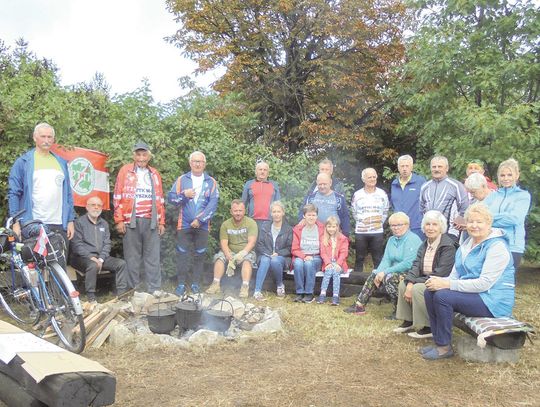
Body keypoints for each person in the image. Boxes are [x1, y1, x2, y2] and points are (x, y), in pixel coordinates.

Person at [421, 203, 515, 360]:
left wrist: (447, 284)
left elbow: (484, 284)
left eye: (479, 222)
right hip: (474, 295)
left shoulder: (497, 247)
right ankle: (438, 341)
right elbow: (455, 274)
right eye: (471, 221)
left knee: (443, 296)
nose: (474, 225)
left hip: (492, 300)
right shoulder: (467, 244)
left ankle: (444, 347)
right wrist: (439, 281)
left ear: (489, 223)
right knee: (430, 291)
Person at [8, 122, 76, 265]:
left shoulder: (61, 163)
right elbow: (14, 193)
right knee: (33, 269)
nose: (46, 140)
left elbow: (68, 194)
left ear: (53, 139)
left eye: (49, 137)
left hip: (59, 224)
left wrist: (70, 220)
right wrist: (15, 222)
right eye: (43, 136)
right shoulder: (23, 162)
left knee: (59, 270)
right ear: (35, 138)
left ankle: (57, 289)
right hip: (33, 224)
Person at [113, 141, 166, 297]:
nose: (141, 157)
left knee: (153, 257)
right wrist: (119, 220)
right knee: (132, 258)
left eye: (144, 154)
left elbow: (161, 199)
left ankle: (154, 289)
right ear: (133, 155)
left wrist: (161, 221)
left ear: (149, 156)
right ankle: (133, 290)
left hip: (151, 220)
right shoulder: (125, 171)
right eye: (138, 154)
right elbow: (117, 196)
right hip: (131, 220)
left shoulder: (154, 173)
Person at [393, 210, 457, 339]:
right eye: (428, 224)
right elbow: (416, 265)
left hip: (441, 280)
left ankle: (428, 327)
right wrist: (410, 281)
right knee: (403, 284)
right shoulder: (424, 244)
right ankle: (408, 320)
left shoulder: (448, 245)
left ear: (441, 227)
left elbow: (441, 272)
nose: (431, 228)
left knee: (418, 288)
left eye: (435, 224)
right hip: (425, 277)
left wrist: (414, 283)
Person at [344, 212, 422, 316]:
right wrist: (378, 272)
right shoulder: (391, 240)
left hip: (411, 274)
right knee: (374, 273)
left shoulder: (413, 239)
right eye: (393, 225)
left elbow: (408, 264)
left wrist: (384, 272)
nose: (396, 228)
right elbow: (386, 260)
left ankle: (399, 311)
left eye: (399, 225)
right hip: (395, 271)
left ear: (407, 225)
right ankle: (359, 305)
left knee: (388, 277)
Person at [168, 151, 219, 296]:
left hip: (202, 225)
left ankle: (196, 284)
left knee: (200, 255)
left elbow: (213, 204)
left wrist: (200, 219)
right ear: (190, 163)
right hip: (183, 224)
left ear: (204, 164)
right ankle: (181, 284)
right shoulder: (182, 180)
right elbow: (171, 199)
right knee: (182, 254)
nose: (197, 164)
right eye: (195, 161)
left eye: (200, 162)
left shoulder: (211, 182)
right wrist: (184, 195)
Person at [70, 197, 128, 303]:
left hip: (101, 258)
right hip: (81, 258)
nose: (96, 207)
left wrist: (101, 259)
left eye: (99, 205)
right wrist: (92, 258)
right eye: (93, 205)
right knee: (92, 265)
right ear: (87, 207)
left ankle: (122, 296)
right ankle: (91, 298)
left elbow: (107, 244)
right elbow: (77, 245)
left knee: (121, 264)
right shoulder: (78, 223)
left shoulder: (104, 224)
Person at [484, 159, 531, 269]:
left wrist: (490, 219)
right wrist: (503, 216)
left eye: (509, 175)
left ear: (517, 175)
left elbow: (514, 219)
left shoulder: (523, 196)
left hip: (512, 246)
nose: (506, 178)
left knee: (506, 283)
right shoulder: (492, 196)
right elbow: (481, 216)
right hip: (490, 244)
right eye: (502, 175)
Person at [206, 200, 258, 298]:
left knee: (247, 261)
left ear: (244, 211)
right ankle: (215, 284)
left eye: (240, 210)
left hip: (246, 251)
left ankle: (245, 287)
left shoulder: (251, 223)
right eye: (235, 211)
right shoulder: (226, 224)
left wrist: (242, 254)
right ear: (231, 211)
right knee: (219, 258)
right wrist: (227, 254)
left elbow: (252, 242)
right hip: (230, 251)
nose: (238, 213)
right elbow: (223, 242)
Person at [420, 156, 469, 240]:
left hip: (449, 232)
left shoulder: (456, 185)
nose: (436, 169)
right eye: (434, 167)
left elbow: (465, 207)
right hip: (430, 231)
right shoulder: (425, 186)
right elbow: (422, 208)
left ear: (446, 168)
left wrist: (460, 220)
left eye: (440, 166)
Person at [351, 168, 389, 273]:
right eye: (369, 177)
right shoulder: (357, 195)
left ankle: (378, 284)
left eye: (374, 177)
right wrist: (363, 223)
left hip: (377, 231)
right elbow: (354, 211)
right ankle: (356, 282)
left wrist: (379, 222)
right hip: (361, 232)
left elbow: (385, 210)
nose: (372, 179)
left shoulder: (382, 194)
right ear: (363, 179)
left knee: (378, 259)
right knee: (359, 258)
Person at [253, 201, 293, 301]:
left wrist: (278, 253)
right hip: (265, 255)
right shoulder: (264, 227)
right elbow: (259, 244)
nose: (276, 214)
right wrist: (269, 254)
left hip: (282, 257)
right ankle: (257, 291)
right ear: (271, 213)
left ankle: (280, 285)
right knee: (266, 260)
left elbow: (289, 248)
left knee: (275, 260)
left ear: (283, 213)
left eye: (278, 211)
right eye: (274, 212)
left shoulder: (288, 229)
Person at [292, 204, 324, 303]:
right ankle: (300, 292)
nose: (311, 217)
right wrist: (304, 256)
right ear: (304, 216)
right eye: (309, 215)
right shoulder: (298, 229)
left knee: (309, 263)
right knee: (297, 263)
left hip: (316, 256)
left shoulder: (322, 229)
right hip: (301, 255)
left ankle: (309, 293)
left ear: (317, 216)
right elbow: (294, 248)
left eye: (313, 215)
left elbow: (325, 247)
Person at [390, 155, 426, 239]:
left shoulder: (421, 181)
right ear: (398, 168)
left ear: (412, 167)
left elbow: (427, 202)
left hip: (416, 227)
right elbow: (393, 204)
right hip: (398, 227)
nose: (404, 169)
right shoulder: (394, 184)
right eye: (402, 166)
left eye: (407, 166)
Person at [317, 216, 349, 306]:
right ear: (326, 227)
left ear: (337, 227)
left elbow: (344, 253)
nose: (331, 229)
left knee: (335, 271)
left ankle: (335, 296)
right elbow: (323, 253)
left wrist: (338, 264)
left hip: (340, 263)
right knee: (328, 271)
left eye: (333, 227)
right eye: (329, 226)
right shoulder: (323, 238)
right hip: (328, 262)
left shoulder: (343, 239)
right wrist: (328, 263)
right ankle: (323, 293)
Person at [242, 161, 280, 227]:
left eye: (265, 170)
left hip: (270, 221)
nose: (262, 172)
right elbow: (243, 203)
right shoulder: (249, 184)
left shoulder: (274, 185)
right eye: (260, 169)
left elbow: (278, 205)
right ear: (256, 172)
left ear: (268, 173)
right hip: (252, 221)